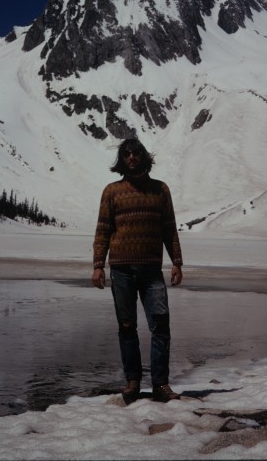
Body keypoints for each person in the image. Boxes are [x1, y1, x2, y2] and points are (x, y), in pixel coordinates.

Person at [92, 138, 183, 404]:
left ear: (144, 157)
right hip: (121, 269)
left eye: (136, 152)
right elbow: (102, 230)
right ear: (122, 160)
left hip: (151, 270)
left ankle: (160, 385)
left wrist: (176, 261)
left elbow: (169, 228)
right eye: (127, 153)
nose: (132, 157)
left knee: (161, 325)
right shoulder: (111, 191)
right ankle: (132, 383)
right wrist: (98, 266)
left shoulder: (160, 190)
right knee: (127, 326)